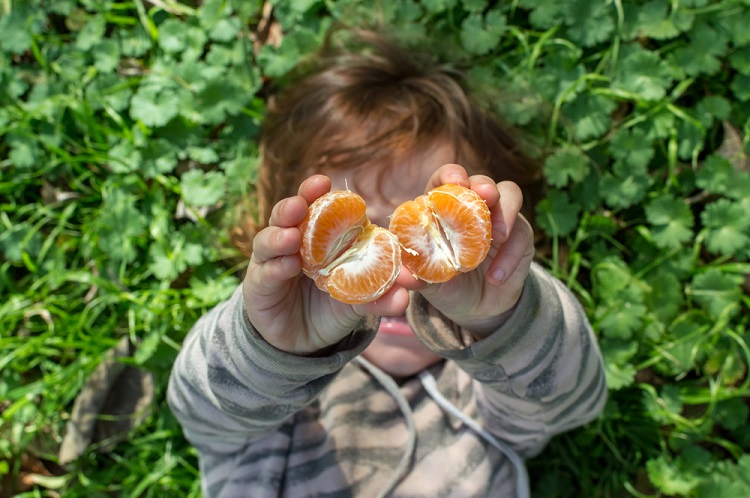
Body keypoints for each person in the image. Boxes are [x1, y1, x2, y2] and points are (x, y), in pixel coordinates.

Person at [167, 29, 607, 498]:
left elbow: (568, 402)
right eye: (360, 234)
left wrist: (500, 320)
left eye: (422, 232)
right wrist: (272, 350)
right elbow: (200, 409)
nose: (400, 270)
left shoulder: (488, 394)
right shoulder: (276, 400)